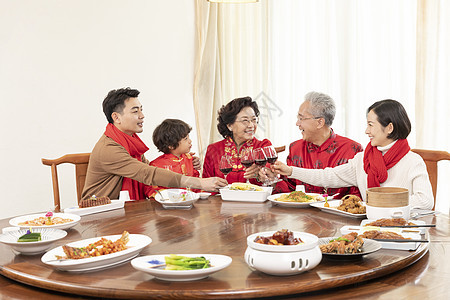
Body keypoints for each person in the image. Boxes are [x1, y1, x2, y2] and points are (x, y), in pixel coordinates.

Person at [263, 99, 433, 209]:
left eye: (371, 125)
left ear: (389, 127)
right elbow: (327, 176)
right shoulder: (362, 159)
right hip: (369, 226)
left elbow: (425, 201)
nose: (367, 131)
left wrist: (379, 203)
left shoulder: (413, 161)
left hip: (402, 229)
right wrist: (291, 171)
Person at [81, 88, 227, 201]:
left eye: (141, 109)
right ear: (116, 117)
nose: (142, 116)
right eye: (135, 111)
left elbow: (151, 168)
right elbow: (147, 173)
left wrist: (188, 165)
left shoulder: (130, 142)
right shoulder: (109, 148)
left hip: (123, 209)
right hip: (101, 214)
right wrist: (200, 183)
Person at [274, 92, 363, 198]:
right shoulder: (295, 148)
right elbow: (289, 189)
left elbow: (356, 197)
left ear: (320, 122)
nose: (297, 123)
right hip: (301, 214)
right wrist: (273, 180)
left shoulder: (352, 150)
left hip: (337, 213)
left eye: (301, 118)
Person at [202, 96, 272, 184]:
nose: (251, 125)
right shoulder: (214, 149)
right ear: (229, 125)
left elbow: (270, 178)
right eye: (245, 120)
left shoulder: (263, 147)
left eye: (254, 120)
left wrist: (263, 175)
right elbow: (206, 185)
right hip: (221, 198)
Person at [146, 119, 200, 198]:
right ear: (170, 145)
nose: (190, 141)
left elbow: (196, 183)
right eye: (185, 139)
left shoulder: (189, 159)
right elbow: (151, 188)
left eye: (189, 137)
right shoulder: (156, 165)